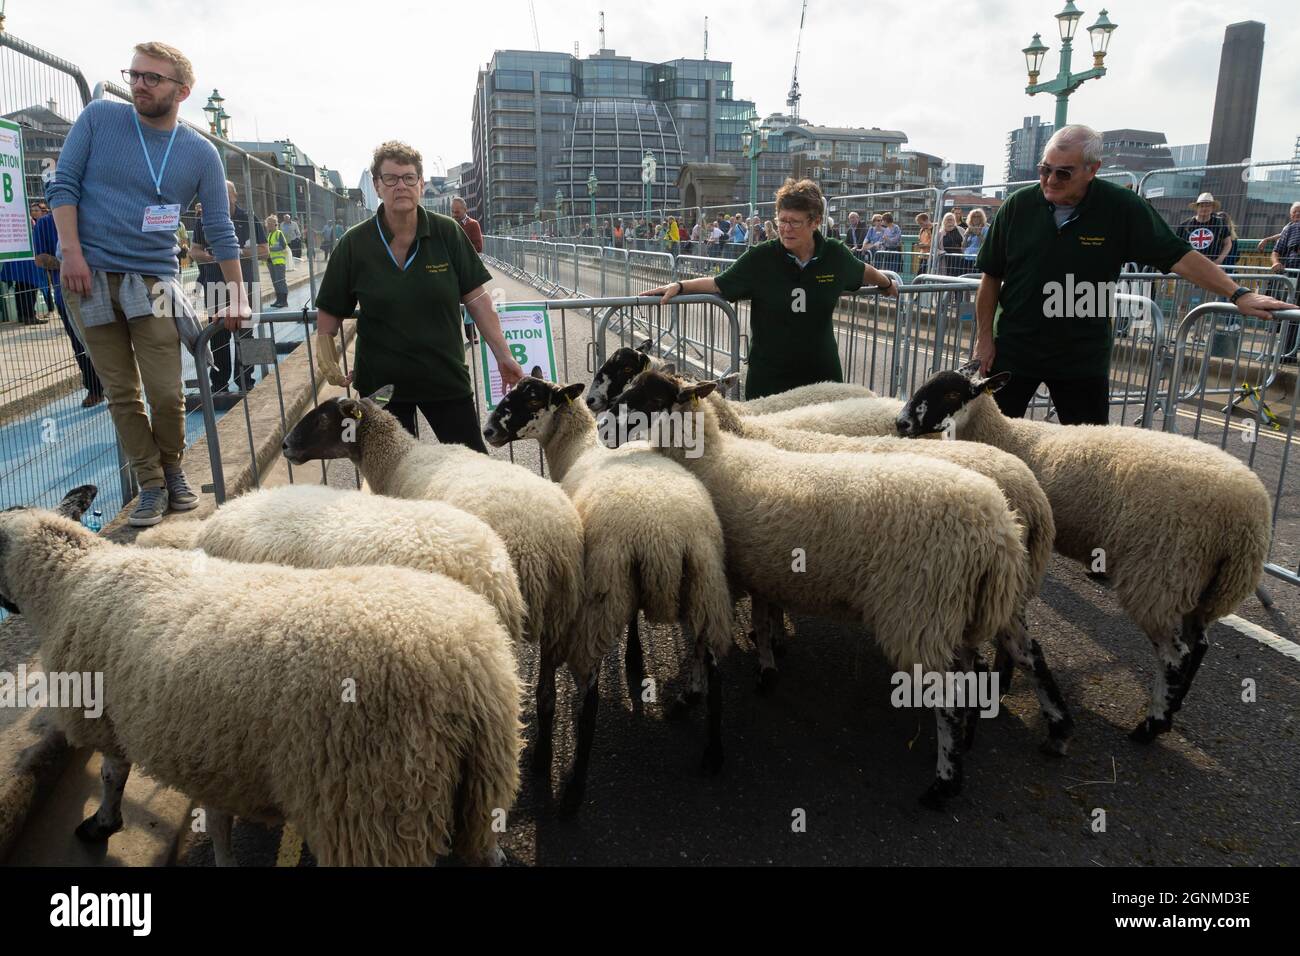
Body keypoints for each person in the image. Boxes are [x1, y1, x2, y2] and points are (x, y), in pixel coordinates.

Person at [48, 40, 248, 526]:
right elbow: (64, 184)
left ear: (183, 90)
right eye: (134, 74)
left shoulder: (200, 153)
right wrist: (71, 252)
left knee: (165, 390)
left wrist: (237, 294)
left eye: (152, 78)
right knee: (121, 391)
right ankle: (152, 485)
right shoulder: (100, 119)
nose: (139, 84)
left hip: (155, 281)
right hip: (87, 277)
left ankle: (174, 468)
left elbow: (220, 228)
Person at [974, 125, 1290, 425]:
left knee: (1089, 456)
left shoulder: (1120, 207)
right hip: (1015, 348)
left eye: (1063, 172)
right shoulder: (1018, 206)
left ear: (1092, 170)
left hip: (1079, 355)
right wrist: (984, 339)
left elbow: (1179, 255)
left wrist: (1238, 294)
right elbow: (991, 276)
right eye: (1045, 169)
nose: (1051, 179)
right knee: (989, 441)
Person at [313, 140, 524, 450]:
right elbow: (331, 308)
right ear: (377, 185)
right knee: (392, 480)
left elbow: (478, 301)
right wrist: (325, 348)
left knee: (470, 471)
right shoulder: (354, 244)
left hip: (444, 379)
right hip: (381, 388)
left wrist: (503, 355)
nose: (401, 185)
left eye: (409, 178)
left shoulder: (447, 233)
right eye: (391, 178)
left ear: (421, 184)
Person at [643, 178, 899, 398]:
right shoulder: (761, 257)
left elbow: (863, 270)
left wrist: (887, 283)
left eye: (795, 222)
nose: (785, 229)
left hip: (822, 374)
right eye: (781, 221)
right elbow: (718, 283)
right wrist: (679, 285)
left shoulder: (834, 254)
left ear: (815, 222)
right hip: (770, 378)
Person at [192, 180, 266, 394]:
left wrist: (235, 253)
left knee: (247, 334)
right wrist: (207, 256)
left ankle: (247, 382)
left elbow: (264, 250)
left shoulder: (249, 218)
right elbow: (194, 251)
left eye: (225, 194)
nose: (219, 198)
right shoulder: (203, 219)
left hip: (246, 286)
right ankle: (219, 385)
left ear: (234, 196)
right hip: (214, 284)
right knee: (217, 336)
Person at [32, 204, 104, 405]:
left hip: (103, 289)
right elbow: (39, 259)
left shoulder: (91, 212)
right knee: (80, 344)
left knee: (111, 340)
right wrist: (70, 263)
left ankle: (116, 388)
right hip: (68, 296)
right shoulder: (45, 224)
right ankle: (95, 389)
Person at [1270, 201, 1300, 361]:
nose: (1298, 215)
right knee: (1291, 313)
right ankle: (1287, 353)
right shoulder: (1289, 229)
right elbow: (1276, 251)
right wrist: (1275, 262)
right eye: (1295, 212)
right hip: (1293, 278)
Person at [1176, 192, 1233, 266]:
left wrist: (1219, 260)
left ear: (1212, 208)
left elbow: (1228, 243)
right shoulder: (1185, 225)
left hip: (1211, 264)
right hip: (1189, 265)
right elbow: (1177, 244)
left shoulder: (1220, 223)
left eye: (1207, 206)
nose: (1204, 208)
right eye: (1201, 206)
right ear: (1197, 208)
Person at [264, 215, 290, 308]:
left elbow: (283, 246)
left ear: (275, 224)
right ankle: (278, 300)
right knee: (275, 282)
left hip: (278, 262)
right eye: (268, 224)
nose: (269, 225)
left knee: (280, 281)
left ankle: (284, 301)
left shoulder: (279, 233)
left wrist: (270, 248)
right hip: (271, 262)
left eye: (270, 224)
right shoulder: (270, 234)